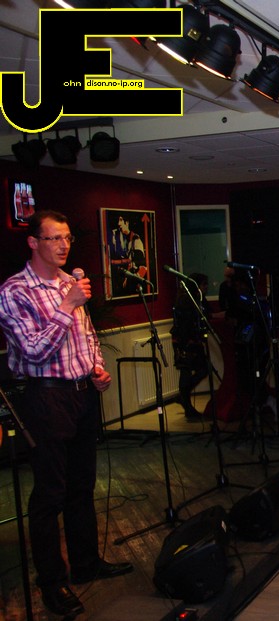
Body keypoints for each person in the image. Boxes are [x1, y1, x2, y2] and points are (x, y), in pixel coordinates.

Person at [0, 210, 133, 618]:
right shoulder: (15, 291)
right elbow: (33, 351)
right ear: (33, 242)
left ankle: (86, 563)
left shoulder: (68, 283)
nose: (63, 245)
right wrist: (67, 304)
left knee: (81, 486)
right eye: (54, 238)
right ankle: (52, 583)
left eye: (67, 238)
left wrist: (97, 367)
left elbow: (86, 335)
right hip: (46, 398)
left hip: (81, 394)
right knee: (50, 494)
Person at [171, 272, 210, 420]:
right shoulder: (186, 300)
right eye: (204, 284)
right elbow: (185, 323)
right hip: (185, 341)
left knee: (194, 370)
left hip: (190, 340)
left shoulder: (197, 298)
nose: (206, 287)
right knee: (189, 370)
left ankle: (184, 398)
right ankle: (186, 403)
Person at [109, 213, 149, 297]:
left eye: (121, 220)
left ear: (127, 223)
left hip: (133, 282)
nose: (118, 223)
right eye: (118, 220)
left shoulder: (136, 240)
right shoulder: (119, 239)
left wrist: (134, 281)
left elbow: (142, 265)